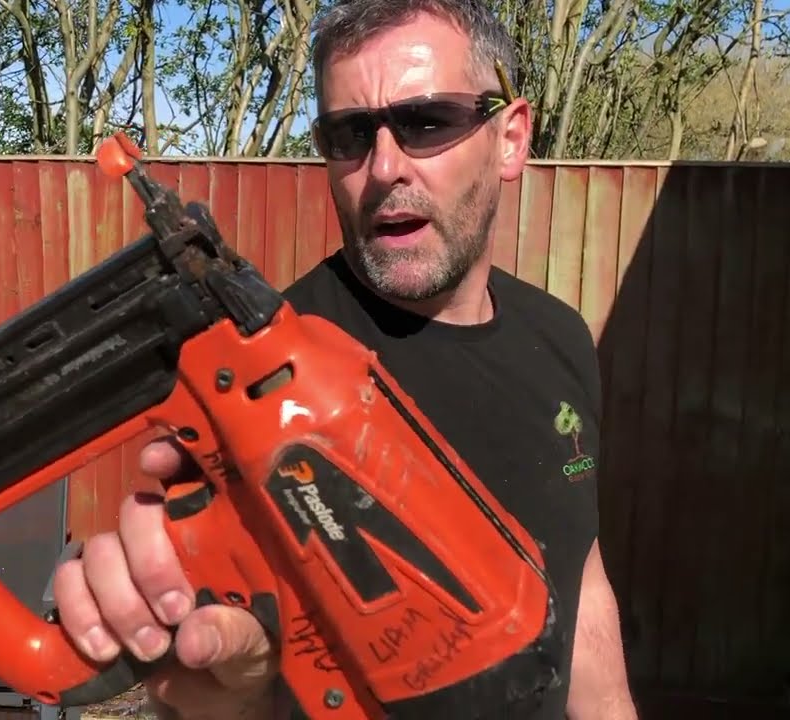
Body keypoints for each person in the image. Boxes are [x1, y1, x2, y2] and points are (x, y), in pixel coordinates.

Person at [49, 0, 639, 717]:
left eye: (427, 122)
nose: (384, 167)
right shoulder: (261, 380)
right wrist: (221, 692)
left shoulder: (562, 339)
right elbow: (229, 666)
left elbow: (581, 575)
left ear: (510, 138)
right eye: (350, 133)